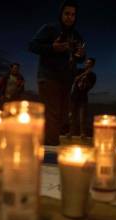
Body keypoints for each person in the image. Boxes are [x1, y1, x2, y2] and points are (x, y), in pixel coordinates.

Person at [29, 0, 85, 145]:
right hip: (48, 77)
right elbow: (32, 45)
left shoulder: (76, 35)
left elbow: (80, 58)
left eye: (73, 14)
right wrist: (52, 48)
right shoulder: (49, 28)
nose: (70, 17)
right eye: (67, 13)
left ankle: (47, 145)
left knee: (62, 116)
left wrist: (81, 55)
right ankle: (49, 150)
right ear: (61, 14)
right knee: (51, 113)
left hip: (66, 79)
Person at [69, 57, 96, 138]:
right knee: (72, 116)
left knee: (82, 117)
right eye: (86, 62)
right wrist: (84, 74)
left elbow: (90, 86)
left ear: (92, 65)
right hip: (74, 96)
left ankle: (82, 133)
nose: (87, 64)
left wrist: (86, 79)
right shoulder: (79, 70)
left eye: (89, 63)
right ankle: (71, 132)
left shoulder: (93, 75)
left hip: (83, 97)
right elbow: (75, 79)